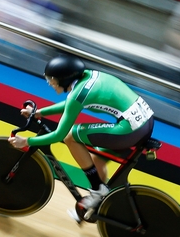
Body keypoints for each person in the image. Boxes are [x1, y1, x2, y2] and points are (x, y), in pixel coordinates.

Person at [8, 55, 155, 224]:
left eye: (52, 79)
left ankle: (98, 190)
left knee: (71, 136)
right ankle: (96, 202)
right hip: (143, 122)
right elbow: (70, 104)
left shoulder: (78, 93)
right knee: (96, 161)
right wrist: (39, 112)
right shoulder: (85, 77)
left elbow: (59, 135)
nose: (49, 82)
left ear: (64, 79)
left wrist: (26, 142)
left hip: (131, 129)